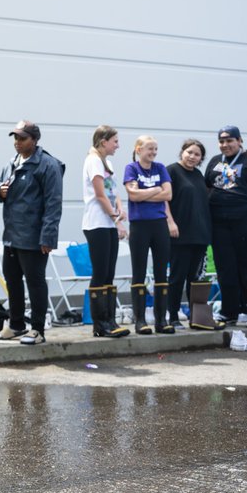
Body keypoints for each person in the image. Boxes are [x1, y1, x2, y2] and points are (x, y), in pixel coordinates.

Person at [0, 120, 64, 345]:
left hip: (34, 236)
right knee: (12, 280)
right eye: (15, 138)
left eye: (22, 138)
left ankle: (38, 329)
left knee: (35, 282)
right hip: (12, 235)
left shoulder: (47, 165)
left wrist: (48, 237)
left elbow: (53, 204)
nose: (17, 142)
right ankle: (16, 325)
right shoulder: (12, 163)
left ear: (35, 140)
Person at [204, 125, 247, 327]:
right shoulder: (215, 161)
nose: (225, 145)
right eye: (221, 141)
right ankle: (229, 311)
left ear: (240, 141)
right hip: (219, 223)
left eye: (229, 140)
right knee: (225, 268)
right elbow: (207, 187)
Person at [122, 135, 175, 335]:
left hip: (159, 224)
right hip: (139, 226)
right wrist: (156, 189)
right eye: (149, 149)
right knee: (139, 272)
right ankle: (140, 320)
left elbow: (168, 194)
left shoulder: (160, 168)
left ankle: (161, 320)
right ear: (138, 150)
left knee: (162, 271)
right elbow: (133, 195)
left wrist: (144, 193)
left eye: (155, 149)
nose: (153, 152)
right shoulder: (131, 168)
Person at [80, 125, 129, 338]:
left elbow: (112, 191)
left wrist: (119, 211)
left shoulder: (107, 162)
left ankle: (110, 319)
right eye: (115, 141)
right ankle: (99, 324)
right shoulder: (93, 161)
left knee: (109, 272)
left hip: (108, 223)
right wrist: (115, 217)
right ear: (103, 141)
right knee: (100, 272)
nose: (117, 145)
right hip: (96, 223)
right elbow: (100, 195)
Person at [167, 139, 219, 330]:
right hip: (180, 235)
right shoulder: (171, 171)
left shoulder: (198, 175)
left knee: (195, 280)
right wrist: (170, 222)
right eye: (189, 152)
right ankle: (173, 317)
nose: (192, 157)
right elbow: (164, 201)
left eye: (197, 154)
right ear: (182, 152)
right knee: (177, 277)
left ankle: (196, 318)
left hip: (200, 235)